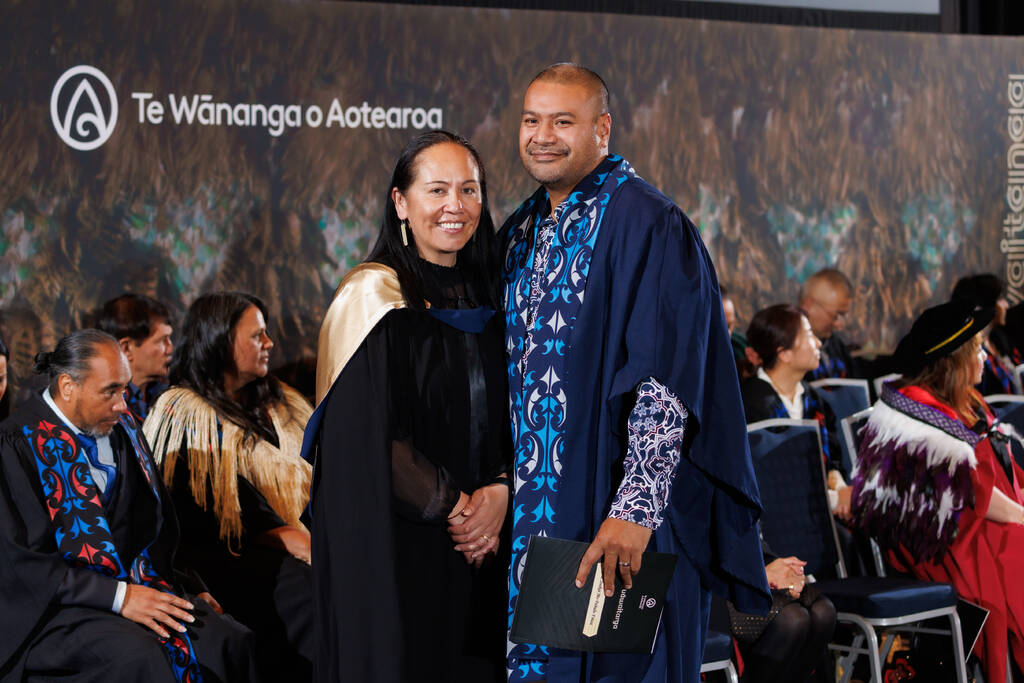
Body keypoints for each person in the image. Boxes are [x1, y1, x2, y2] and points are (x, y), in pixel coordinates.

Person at [501, 63, 769, 682]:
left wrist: (637, 507)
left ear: (602, 128)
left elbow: (666, 378)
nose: (542, 135)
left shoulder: (648, 222)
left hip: (611, 514)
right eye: (531, 120)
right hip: (534, 516)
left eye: (562, 122)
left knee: (611, 670)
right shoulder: (521, 230)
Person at [305, 130, 512, 682]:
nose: (455, 206)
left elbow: (521, 415)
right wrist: (460, 511)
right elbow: (364, 436)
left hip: (495, 543)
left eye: (469, 190)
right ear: (400, 201)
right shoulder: (374, 299)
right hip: (403, 541)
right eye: (437, 189)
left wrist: (500, 488)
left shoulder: (498, 300)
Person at [0, 329, 257, 682]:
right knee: (141, 657)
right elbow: (23, 565)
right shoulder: (15, 445)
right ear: (67, 386)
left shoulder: (125, 430)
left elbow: (152, 531)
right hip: (58, 610)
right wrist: (121, 597)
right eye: (110, 391)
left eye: (124, 388)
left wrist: (189, 585)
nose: (123, 404)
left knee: (227, 640)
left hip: (140, 587)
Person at [850, 299, 1024, 683]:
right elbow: (969, 494)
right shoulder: (914, 410)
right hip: (942, 541)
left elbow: (1003, 473)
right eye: (976, 349)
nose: (984, 358)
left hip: (980, 528)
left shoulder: (967, 399)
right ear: (952, 361)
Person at [143, 292, 314, 680]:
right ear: (220, 342)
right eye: (257, 336)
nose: (269, 343)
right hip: (232, 556)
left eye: (267, 334)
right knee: (306, 591)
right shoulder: (183, 411)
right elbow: (196, 510)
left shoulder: (281, 401)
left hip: (300, 541)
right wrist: (297, 541)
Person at [741, 304, 851, 518]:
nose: (818, 343)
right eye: (810, 335)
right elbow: (774, 483)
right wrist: (836, 500)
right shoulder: (751, 406)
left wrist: (838, 485)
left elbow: (831, 458)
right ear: (785, 354)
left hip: (820, 511)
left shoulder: (813, 398)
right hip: (778, 520)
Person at [712, 538, 836, 683]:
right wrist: (758, 574)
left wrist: (783, 570)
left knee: (823, 611)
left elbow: (752, 539)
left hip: (751, 570)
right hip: (711, 585)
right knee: (793, 620)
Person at [97, 293, 175, 421]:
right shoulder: (109, 411)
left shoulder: (169, 395)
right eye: (162, 340)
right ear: (126, 348)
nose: (170, 348)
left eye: (169, 338)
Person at [951, 273, 1017, 395]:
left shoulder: (999, 338)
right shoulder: (966, 350)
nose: (1006, 305)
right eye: (1000, 299)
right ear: (987, 305)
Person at [799, 268, 857, 380]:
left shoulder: (837, 346)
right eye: (836, 315)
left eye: (843, 316)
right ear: (809, 306)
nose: (839, 325)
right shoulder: (788, 350)